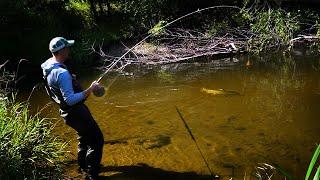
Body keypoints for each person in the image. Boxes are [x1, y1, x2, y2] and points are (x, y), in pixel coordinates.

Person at [41, 37, 104, 180]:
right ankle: (92, 175)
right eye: (67, 47)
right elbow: (70, 100)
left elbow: (55, 85)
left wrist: (70, 77)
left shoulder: (49, 66)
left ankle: (82, 166)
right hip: (76, 112)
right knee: (96, 140)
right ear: (62, 50)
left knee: (84, 137)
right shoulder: (61, 73)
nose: (69, 50)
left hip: (66, 113)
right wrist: (90, 89)